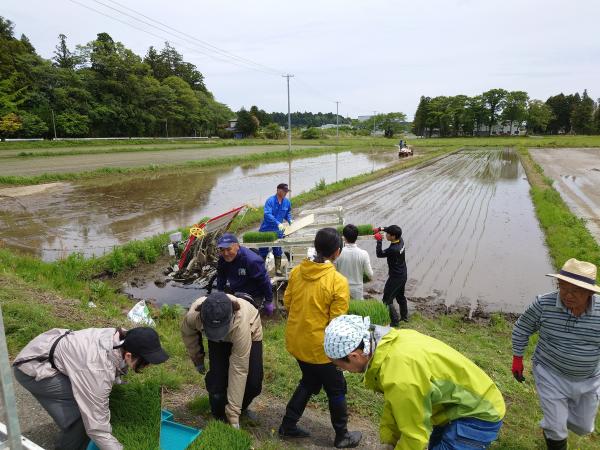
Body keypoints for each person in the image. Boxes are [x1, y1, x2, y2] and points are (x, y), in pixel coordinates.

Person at [324, 315, 506, 450]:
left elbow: (415, 436)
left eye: (340, 366)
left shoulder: (400, 374)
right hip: (457, 406)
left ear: (354, 356)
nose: (343, 371)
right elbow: (396, 404)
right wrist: (389, 440)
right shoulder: (388, 346)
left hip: (477, 415)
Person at [13, 326, 169, 450]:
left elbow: (108, 366)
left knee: (93, 402)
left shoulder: (119, 337)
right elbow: (97, 428)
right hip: (33, 367)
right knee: (81, 416)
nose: (148, 366)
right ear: (128, 355)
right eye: (146, 361)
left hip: (47, 350)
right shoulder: (97, 370)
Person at [278, 227, 361, 448]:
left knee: (309, 380)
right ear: (337, 252)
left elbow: (287, 302)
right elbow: (337, 323)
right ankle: (342, 435)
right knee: (336, 388)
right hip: (322, 350)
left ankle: (288, 425)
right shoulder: (337, 281)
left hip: (297, 342)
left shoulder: (297, 271)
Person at [511, 258, 600, 450]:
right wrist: (517, 358)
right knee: (556, 428)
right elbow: (522, 328)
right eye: (563, 287)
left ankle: (555, 419)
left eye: (575, 291)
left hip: (589, 379)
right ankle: (553, 426)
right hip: (549, 373)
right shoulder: (544, 304)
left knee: (584, 427)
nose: (567, 295)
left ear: (590, 293)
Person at [181, 291, 263, 429]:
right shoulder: (193, 316)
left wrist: (234, 414)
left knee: (253, 384)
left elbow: (239, 369)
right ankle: (218, 416)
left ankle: (238, 410)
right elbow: (188, 335)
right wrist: (197, 359)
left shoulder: (241, 322)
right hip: (216, 338)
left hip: (248, 329)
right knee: (217, 382)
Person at [216, 232, 274, 315]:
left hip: (254, 294)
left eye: (229, 249)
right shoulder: (222, 259)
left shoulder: (251, 260)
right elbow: (221, 276)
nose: (226, 253)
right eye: (222, 250)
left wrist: (268, 300)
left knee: (248, 317)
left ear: (237, 246)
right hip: (236, 291)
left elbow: (264, 281)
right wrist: (220, 292)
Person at [374, 224, 408, 326]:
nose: (386, 235)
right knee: (400, 297)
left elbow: (379, 254)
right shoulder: (400, 239)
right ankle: (404, 317)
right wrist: (381, 229)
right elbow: (391, 229)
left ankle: (395, 322)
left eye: (387, 234)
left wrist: (379, 241)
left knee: (386, 300)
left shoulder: (394, 249)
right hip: (403, 274)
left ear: (393, 236)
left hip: (396, 278)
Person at [258, 183, 292, 275]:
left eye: (286, 191)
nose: (286, 193)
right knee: (263, 250)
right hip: (266, 229)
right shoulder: (270, 201)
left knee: (278, 249)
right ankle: (261, 270)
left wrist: (290, 220)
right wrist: (277, 223)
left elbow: (287, 212)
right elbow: (267, 214)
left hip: (278, 231)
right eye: (284, 191)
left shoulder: (287, 202)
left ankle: (278, 269)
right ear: (278, 190)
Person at [335, 224, 373, 300]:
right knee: (356, 310)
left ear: (344, 237)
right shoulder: (363, 253)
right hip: (357, 289)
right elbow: (370, 274)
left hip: (341, 287)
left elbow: (334, 272)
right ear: (357, 236)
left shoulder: (337, 253)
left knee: (343, 309)